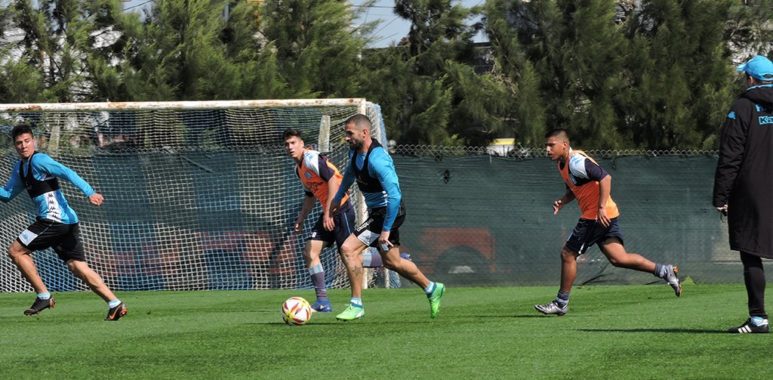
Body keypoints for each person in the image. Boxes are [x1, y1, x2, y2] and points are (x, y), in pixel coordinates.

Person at [535, 129, 681, 316]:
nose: (547, 149)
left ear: (564, 144)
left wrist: (601, 207)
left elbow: (605, 177)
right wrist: (563, 201)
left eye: (551, 145)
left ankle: (561, 303)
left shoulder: (576, 161)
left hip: (596, 215)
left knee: (568, 254)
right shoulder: (562, 165)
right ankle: (664, 271)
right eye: (546, 145)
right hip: (606, 214)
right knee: (618, 258)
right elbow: (575, 187)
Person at [1, 124, 127, 321]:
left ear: (33, 141)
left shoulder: (40, 160)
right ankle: (115, 303)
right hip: (66, 221)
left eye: (27, 141)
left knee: (16, 251)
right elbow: (7, 194)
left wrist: (90, 192)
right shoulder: (20, 168)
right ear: (15, 146)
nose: (24, 146)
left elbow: (67, 172)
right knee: (77, 267)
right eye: (19, 143)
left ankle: (44, 295)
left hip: (54, 219)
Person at [328, 114, 445, 321]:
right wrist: (337, 198)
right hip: (380, 212)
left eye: (349, 133)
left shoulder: (378, 159)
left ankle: (356, 305)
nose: (346, 137)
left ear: (364, 133)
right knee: (392, 262)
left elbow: (395, 197)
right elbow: (350, 173)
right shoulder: (354, 152)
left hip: (388, 211)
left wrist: (386, 230)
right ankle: (432, 288)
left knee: (348, 248)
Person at [283, 128, 386, 312]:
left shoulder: (312, 158)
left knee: (349, 255)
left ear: (302, 144)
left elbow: (332, 180)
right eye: (287, 144)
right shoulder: (299, 170)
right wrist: (301, 218)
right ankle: (323, 301)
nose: (290, 147)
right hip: (328, 213)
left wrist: (329, 212)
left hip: (342, 210)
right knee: (310, 252)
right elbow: (309, 195)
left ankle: (389, 259)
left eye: (293, 143)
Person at [713, 55, 773, 334]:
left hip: (752, 192)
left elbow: (730, 156)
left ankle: (758, 319)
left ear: (750, 79)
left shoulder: (742, 107)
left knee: (751, 251)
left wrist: (721, 196)